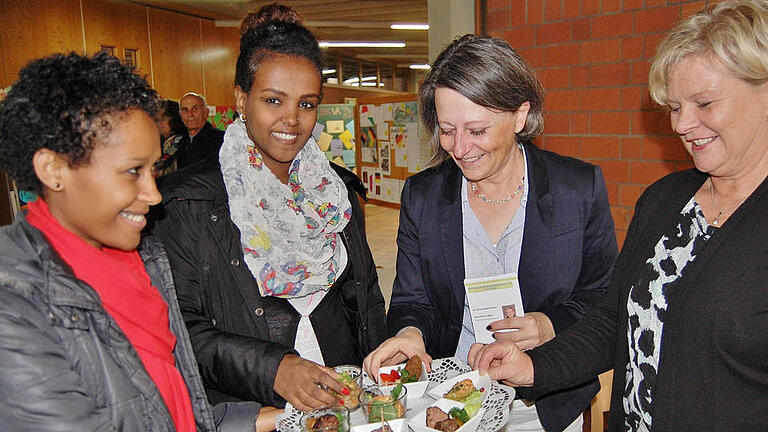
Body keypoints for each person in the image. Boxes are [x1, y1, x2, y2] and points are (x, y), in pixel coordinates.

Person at [469, 1, 768, 430]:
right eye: (675, 107)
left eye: (703, 103)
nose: (683, 124)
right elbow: (614, 320)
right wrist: (533, 368)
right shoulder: (665, 201)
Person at [0, 52, 278, 431]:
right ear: (54, 169)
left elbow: (168, 408)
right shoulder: (14, 305)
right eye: (133, 171)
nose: (154, 193)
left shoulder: (144, 261)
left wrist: (285, 418)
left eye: (154, 169)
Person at [363, 34, 617, 432]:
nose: (460, 148)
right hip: (452, 405)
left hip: (545, 402)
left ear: (520, 116)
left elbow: (603, 297)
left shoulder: (576, 189)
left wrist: (550, 325)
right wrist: (411, 334)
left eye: (477, 130)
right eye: (447, 130)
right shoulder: (424, 196)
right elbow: (414, 299)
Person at [152, 4, 387, 413]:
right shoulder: (185, 201)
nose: (292, 119)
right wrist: (274, 368)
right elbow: (178, 328)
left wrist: (381, 381)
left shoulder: (338, 192)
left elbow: (365, 298)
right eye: (273, 100)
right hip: (256, 409)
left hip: (346, 397)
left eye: (307, 104)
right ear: (241, 99)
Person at [176, 92, 224, 169]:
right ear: (181, 115)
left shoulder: (220, 139)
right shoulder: (180, 142)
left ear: (206, 112)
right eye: (185, 110)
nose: (190, 114)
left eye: (195, 109)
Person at [155, 98, 189, 177]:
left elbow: (161, 166)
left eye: (162, 120)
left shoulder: (176, 140)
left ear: (173, 121)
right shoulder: (164, 139)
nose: (159, 124)